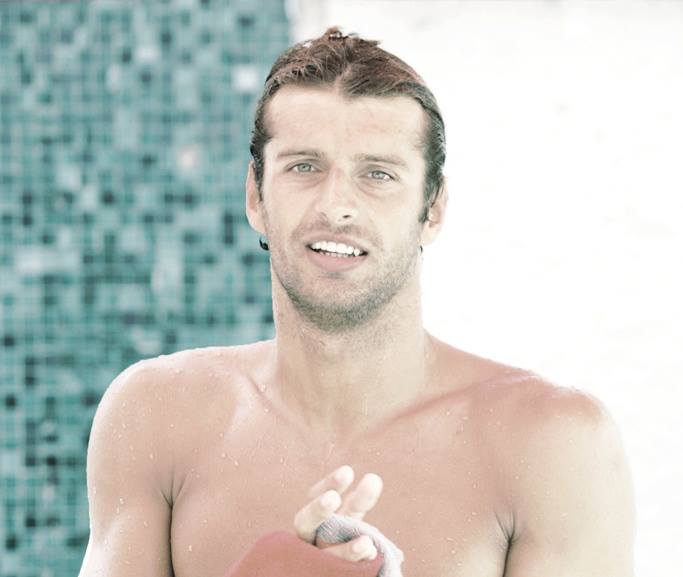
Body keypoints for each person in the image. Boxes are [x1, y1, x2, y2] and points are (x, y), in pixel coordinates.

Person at [78, 27, 635, 577]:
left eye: (378, 174)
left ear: (433, 209)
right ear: (255, 196)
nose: (336, 204)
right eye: (304, 166)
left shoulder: (552, 446)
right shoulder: (157, 417)